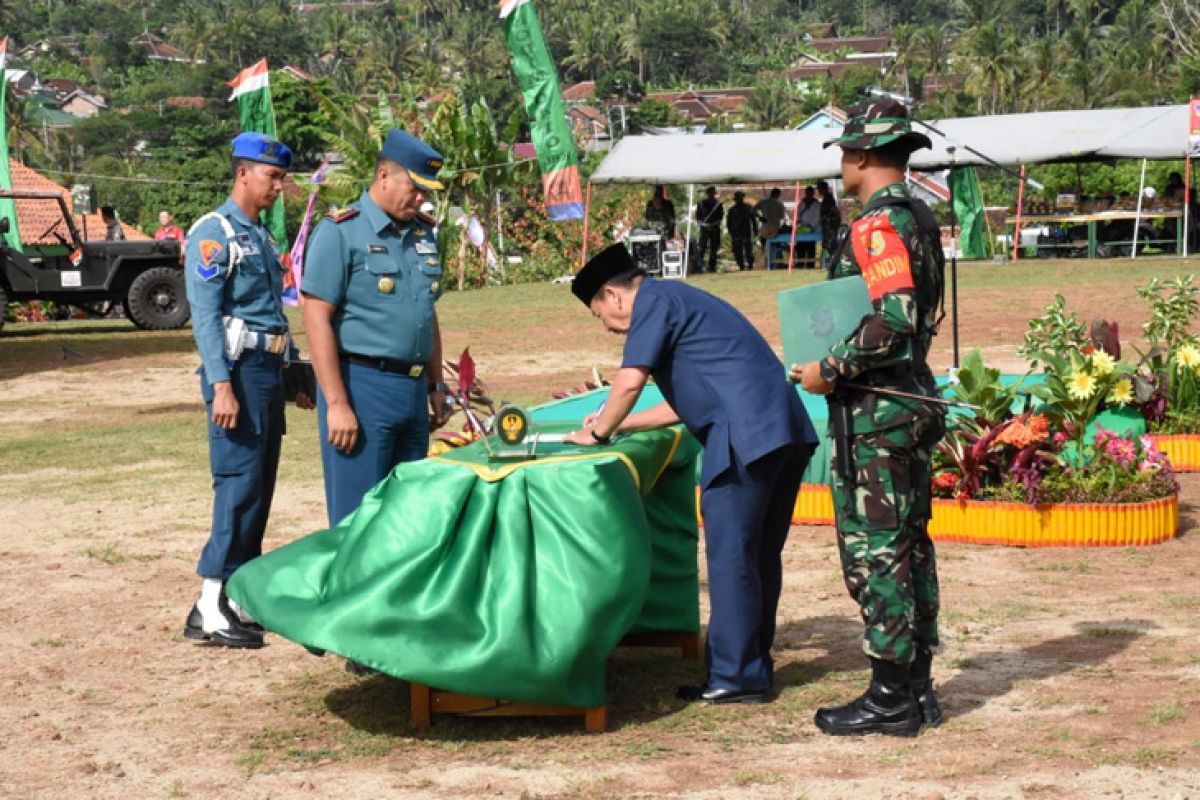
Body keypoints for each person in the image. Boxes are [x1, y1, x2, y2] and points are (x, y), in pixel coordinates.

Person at [564, 242, 819, 704]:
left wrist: (599, 433)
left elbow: (629, 380)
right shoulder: (679, 300)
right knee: (758, 554)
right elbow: (684, 401)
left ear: (614, 295)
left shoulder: (652, 304)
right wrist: (618, 423)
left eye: (599, 312)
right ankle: (751, 666)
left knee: (731, 557)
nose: (605, 326)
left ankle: (736, 676)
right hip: (781, 431)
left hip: (745, 438)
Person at [791, 98, 946, 737]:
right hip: (909, 399)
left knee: (877, 549)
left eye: (844, 156)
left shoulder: (876, 227)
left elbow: (895, 317)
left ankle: (889, 697)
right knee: (910, 542)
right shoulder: (919, 214)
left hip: (877, 412)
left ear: (858, 156)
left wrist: (828, 367)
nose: (842, 168)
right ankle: (916, 689)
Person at [182, 132, 312, 648]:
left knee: (258, 485)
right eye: (271, 176)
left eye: (281, 177)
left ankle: (236, 593)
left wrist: (294, 376)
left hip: (265, 370)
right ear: (243, 173)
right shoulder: (214, 234)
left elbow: (273, 317)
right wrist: (221, 387)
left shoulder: (260, 236)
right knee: (237, 484)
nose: (278, 186)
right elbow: (207, 318)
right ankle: (209, 603)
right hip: (234, 374)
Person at [302, 129, 452, 529]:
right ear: (384, 176)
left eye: (426, 190)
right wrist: (336, 403)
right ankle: (354, 593)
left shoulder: (422, 233)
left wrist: (437, 386)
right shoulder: (341, 231)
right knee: (358, 518)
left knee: (408, 516)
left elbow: (426, 312)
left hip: (414, 389)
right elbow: (315, 317)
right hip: (362, 387)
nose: (421, 198)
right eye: (414, 187)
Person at [694, 186, 724, 273]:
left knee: (714, 249)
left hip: (714, 228)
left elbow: (720, 217)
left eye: (712, 192)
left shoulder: (718, 204)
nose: (711, 194)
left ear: (714, 193)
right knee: (702, 248)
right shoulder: (701, 204)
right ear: (707, 194)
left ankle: (712, 267)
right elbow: (698, 217)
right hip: (704, 228)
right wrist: (703, 224)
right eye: (709, 192)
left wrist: (712, 224)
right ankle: (699, 267)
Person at [726, 190, 758, 270]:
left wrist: (755, 229)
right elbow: (728, 223)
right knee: (737, 251)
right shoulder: (732, 210)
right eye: (738, 198)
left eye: (740, 197)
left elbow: (753, 219)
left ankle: (750, 265)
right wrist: (731, 232)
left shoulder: (748, 207)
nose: (739, 199)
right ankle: (741, 266)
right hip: (735, 233)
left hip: (746, 231)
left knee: (748, 250)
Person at [755, 188, 786, 266]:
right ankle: (778, 263)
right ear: (778, 195)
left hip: (765, 228)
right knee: (777, 246)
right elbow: (781, 216)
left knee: (765, 246)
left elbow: (753, 210)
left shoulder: (763, 202)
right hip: (775, 228)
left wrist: (760, 217)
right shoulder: (779, 204)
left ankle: (766, 263)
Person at [816, 180, 842, 268]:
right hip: (828, 227)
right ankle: (831, 263)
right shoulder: (826, 198)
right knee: (829, 247)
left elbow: (835, 210)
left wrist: (837, 221)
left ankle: (833, 264)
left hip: (831, 228)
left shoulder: (828, 198)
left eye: (819, 189)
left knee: (832, 247)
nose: (818, 191)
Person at [796, 186, 821, 267]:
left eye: (810, 193)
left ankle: (810, 265)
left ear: (813, 193)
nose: (808, 194)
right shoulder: (801, 203)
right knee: (800, 248)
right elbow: (798, 215)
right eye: (807, 193)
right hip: (802, 229)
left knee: (810, 249)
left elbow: (817, 217)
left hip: (812, 230)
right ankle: (800, 264)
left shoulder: (816, 204)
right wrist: (799, 223)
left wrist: (811, 227)